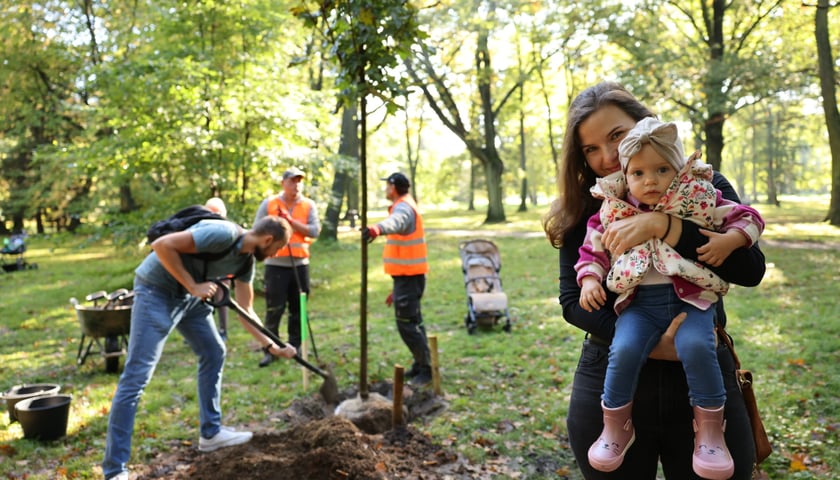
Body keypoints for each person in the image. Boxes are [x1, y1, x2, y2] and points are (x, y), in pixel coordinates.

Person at [542, 81, 766, 479]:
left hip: (701, 368)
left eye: (616, 136)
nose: (608, 157)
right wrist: (654, 345)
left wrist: (665, 226)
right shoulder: (589, 206)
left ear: (648, 125)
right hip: (613, 368)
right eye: (590, 149)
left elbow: (751, 270)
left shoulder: (703, 186)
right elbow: (571, 302)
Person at [102, 215, 297, 480]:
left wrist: (272, 345)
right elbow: (162, 245)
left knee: (213, 351)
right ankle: (115, 470)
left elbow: (246, 310)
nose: (275, 254)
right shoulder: (223, 233)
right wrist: (193, 285)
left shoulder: (245, 262)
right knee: (136, 377)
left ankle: (211, 433)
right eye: (277, 249)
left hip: (189, 298)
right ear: (268, 239)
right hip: (156, 291)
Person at [362, 172, 433, 387]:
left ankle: (427, 369)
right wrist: (397, 289)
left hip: (410, 277)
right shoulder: (406, 203)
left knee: (407, 325)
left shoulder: (403, 207)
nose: (385, 190)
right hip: (407, 277)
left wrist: (377, 229)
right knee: (414, 322)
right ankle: (421, 364)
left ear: (392, 187)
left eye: (387, 186)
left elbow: (397, 222)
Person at [253, 167, 321, 367]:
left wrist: (292, 223)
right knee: (274, 309)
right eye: (292, 181)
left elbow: (315, 231)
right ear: (283, 183)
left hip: (300, 265)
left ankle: (295, 347)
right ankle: (270, 350)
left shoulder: (308, 205)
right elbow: (256, 229)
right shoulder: (270, 204)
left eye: (299, 181)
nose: (296, 185)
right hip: (275, 265)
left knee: (298, 308)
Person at [204, 197, 230, 340]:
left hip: (223, 270)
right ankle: (203, 331)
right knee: (202, 301)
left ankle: (223, 329)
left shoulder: (228, 229)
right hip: (204, 272)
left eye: (217, 213)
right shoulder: (202, 227)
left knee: (222, 298)